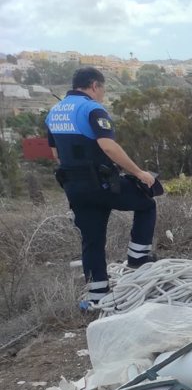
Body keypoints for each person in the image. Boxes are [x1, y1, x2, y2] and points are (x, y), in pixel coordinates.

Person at [45, 66, 158, 310]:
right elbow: (108, 146)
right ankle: (138, 257)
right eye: (103, 89)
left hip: (74, 188)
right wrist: (139, 173)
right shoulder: (91, 108)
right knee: (147, 202)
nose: (103, 94)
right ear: (95, 85)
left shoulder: (53, 113)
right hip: (102, 184)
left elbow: (56, 154)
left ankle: (97, 295)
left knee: (92, 240)